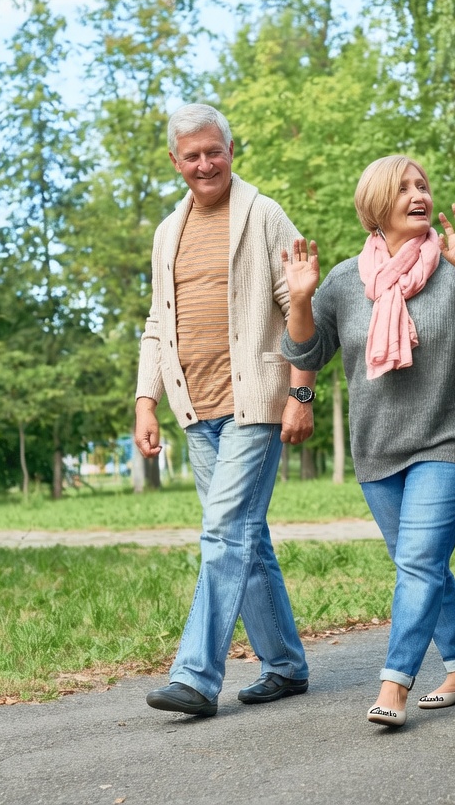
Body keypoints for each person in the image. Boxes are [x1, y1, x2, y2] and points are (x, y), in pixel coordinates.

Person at [281, 155, 455, 727]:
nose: (419, 195)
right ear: (376, 207)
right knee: (421, 562)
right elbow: (307, 355)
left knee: (417, 560)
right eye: (404, 188)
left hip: (450, 437)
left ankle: (395, 684)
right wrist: (303, 301)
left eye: (424, 185)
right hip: (378, 447)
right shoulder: (342, 282)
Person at [135, 103, 316, 718]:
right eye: (192, 155)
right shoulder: (168, 232)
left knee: (222, 533)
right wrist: (146, 401)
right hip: (196, 410)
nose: (205, 163)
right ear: (175, 161)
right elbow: (157, 324)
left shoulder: (263, 215)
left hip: (254, 403)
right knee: (247, 538)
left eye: (215, 151)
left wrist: (301, 391)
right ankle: (286, 665)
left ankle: (194, 676)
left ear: (231, 151)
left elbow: (299, 305)